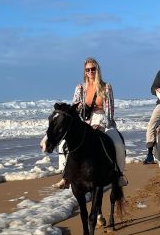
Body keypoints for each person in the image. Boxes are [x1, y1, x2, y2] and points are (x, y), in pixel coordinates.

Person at [54, 57, 128, 188]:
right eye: (87, 70)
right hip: (84, 122)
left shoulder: (106, 87)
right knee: (63, 144)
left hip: (101, 119)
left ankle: (119, 174)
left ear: (97, 70)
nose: (90, 72)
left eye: (93, 69)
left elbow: (110, 109)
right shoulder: (80, 88)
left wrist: (106, 124)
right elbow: (74, 109)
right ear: (85, 71)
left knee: (117, 143)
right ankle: (65, 176)